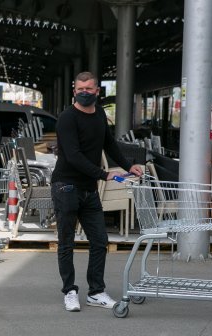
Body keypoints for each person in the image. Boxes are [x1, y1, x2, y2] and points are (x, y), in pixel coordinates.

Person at [51, 71, 143, 312]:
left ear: (97, 91)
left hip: (88, 190)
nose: (84, 92)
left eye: (89, 89)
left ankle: (96, 292)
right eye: (80, 89)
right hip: (66, 186)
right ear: (74, 90)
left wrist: (127, 165)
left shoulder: (100, 114)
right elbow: (73, 156)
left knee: (100, 241)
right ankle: (69, 291)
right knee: (66, 243)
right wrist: (104, 174)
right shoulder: (67, 118)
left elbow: (109, 143)